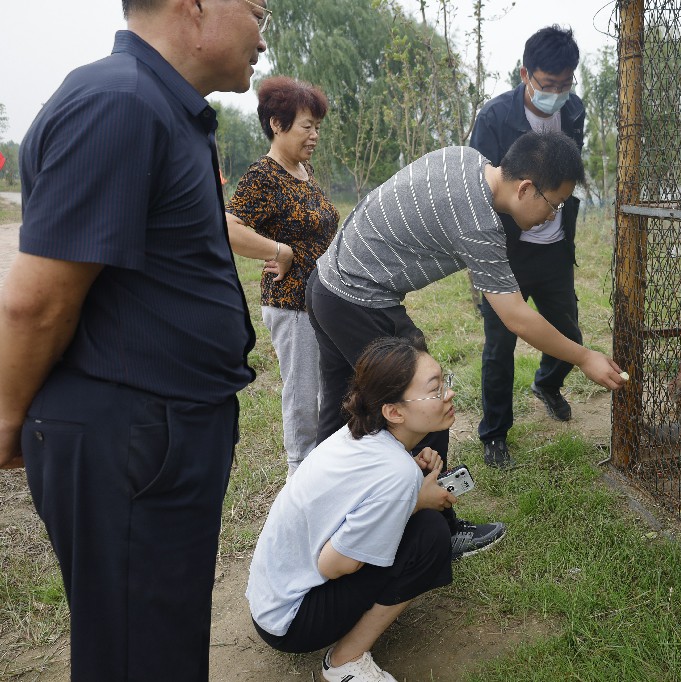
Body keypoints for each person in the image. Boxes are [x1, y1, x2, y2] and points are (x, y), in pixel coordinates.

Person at [0, 0, 267, 678]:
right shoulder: (119, 104)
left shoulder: (159, 108)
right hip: (130, 434)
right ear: (195, 5)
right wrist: (6, 417)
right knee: (136, 654)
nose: (264, 36)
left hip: (158, 432)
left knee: (159, 638)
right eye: (259, 12)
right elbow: (38, 302)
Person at [307, 129, 626, 560]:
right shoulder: (480, 222)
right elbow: (514, 316)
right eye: (554, 205)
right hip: (358, 298)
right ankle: (441, 532)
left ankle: (320, 521)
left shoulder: (465, 158)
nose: (553, 217)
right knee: (429, 406)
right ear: (526, 187)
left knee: (339, 416)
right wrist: (585, 356)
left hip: (326, 283)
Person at [247, 336, 457, 682]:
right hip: (292, 621)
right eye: (435, 390)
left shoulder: (360, 434)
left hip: (269, 599)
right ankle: (345, 660)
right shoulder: (396, 473)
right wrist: (416, 501)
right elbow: (334, 565)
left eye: (445, 382)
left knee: (419, 525)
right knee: (432, 535)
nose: (447, 394)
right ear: (393, 411)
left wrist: (409, 493)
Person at [470, 25, 586, 469]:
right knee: (499, 346)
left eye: (565, 84)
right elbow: (479, 189)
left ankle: (547, 383)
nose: (557, 94)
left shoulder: (573, 111)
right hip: (506, 250)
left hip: (554, 247)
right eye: (547, 85)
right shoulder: (495, 118)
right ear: (525, 74)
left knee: (569, 332)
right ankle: (495, 434)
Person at [227, 76, 339, 476]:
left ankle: (325, 473)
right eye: (307, 126)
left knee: (331, 393)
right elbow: (228, 225)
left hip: (323, 303)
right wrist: (280, 251)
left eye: (317, 128)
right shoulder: (265, 175)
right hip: (292, 304)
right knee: (302, 396)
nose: (314, 135)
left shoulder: (304, 170)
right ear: (278, 124)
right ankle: (299, 477)